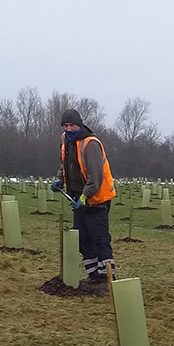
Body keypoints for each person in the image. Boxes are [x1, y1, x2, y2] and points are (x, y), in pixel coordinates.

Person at [51, 109, 117, 288]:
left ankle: (108, 278)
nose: (69, 129)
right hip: (78, 199)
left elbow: (95, 178)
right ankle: (94, 274)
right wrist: (60, 179)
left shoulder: (91, 144)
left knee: (99, 238)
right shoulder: (66, 141)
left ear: (80, 125)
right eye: (65, 126)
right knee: (82, 239)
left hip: (97, 199)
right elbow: (65, 163)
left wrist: (84, 197)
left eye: (72, 125)